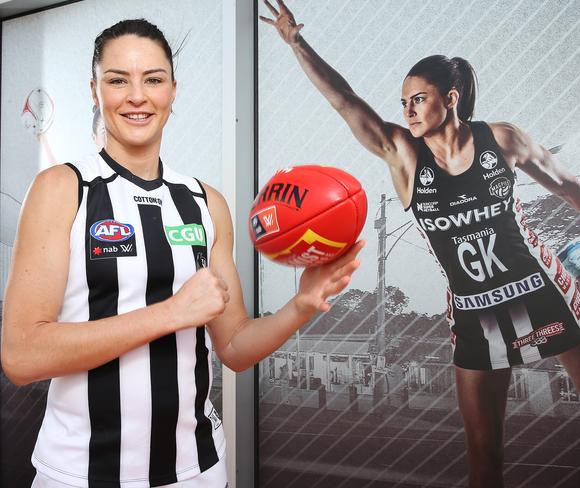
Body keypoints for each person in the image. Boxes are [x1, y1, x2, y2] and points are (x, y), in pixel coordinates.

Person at [260, 1, 580, 487]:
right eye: (404, 103)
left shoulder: (502, 140)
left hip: (539, 288)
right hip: (473, 309)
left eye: (418, 100)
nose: (408, 111)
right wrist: (297, 42)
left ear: (452, 97)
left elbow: (569, 185)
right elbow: (345, 101)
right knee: (483, 454)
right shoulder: (404, 157)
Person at [1, 18, 363, 488]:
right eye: (117, 80)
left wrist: (300, 306)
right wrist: (171, 313)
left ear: (173, 90)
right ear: (95, 91)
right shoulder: (63, 189)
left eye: (153, 79)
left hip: (198, 472)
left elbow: (233, 347)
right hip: (80, 474)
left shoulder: (204, 202)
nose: (137, 96)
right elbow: (22, 355)